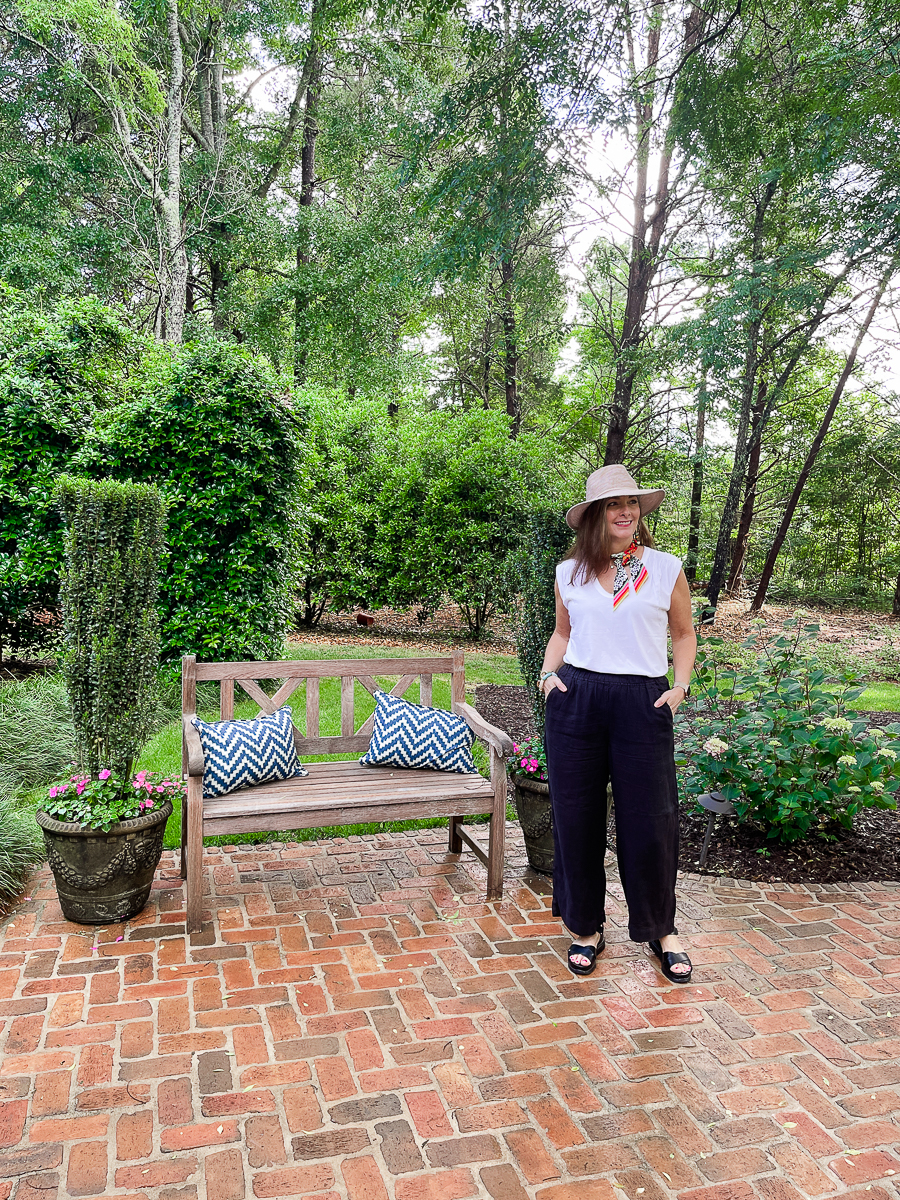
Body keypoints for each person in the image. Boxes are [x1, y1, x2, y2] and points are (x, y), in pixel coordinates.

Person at [539, 465, 697, 982]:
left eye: (630, 503)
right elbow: (562, 633)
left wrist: (678, 689)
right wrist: (548, 674)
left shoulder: (666, 568)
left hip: (641, 701)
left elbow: (683, 635)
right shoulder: (570, 573)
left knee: (650, 819)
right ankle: (586, 927)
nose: (624, 511)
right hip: (578, 698)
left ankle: (660, 929)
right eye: (613, 504)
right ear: (594, 517)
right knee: (576, 816)